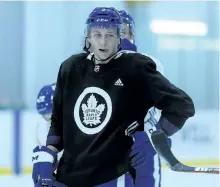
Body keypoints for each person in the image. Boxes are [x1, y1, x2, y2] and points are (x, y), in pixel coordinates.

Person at [32, 7, 195, 187]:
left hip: (127, 159)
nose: (104, 41)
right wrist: (48, 153)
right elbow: (61, 121)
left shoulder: (141, 64)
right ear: (88, 36)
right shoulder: (74, 67)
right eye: (97, 34)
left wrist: (155, 138)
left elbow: (179, 105)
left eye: (113, 34)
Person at [118, 10, 169, 187]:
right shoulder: (89, 66)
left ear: (132, 34)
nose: (119, 37)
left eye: (122, 31)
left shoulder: (149, 62)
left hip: (142, 139)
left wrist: (162, 133)